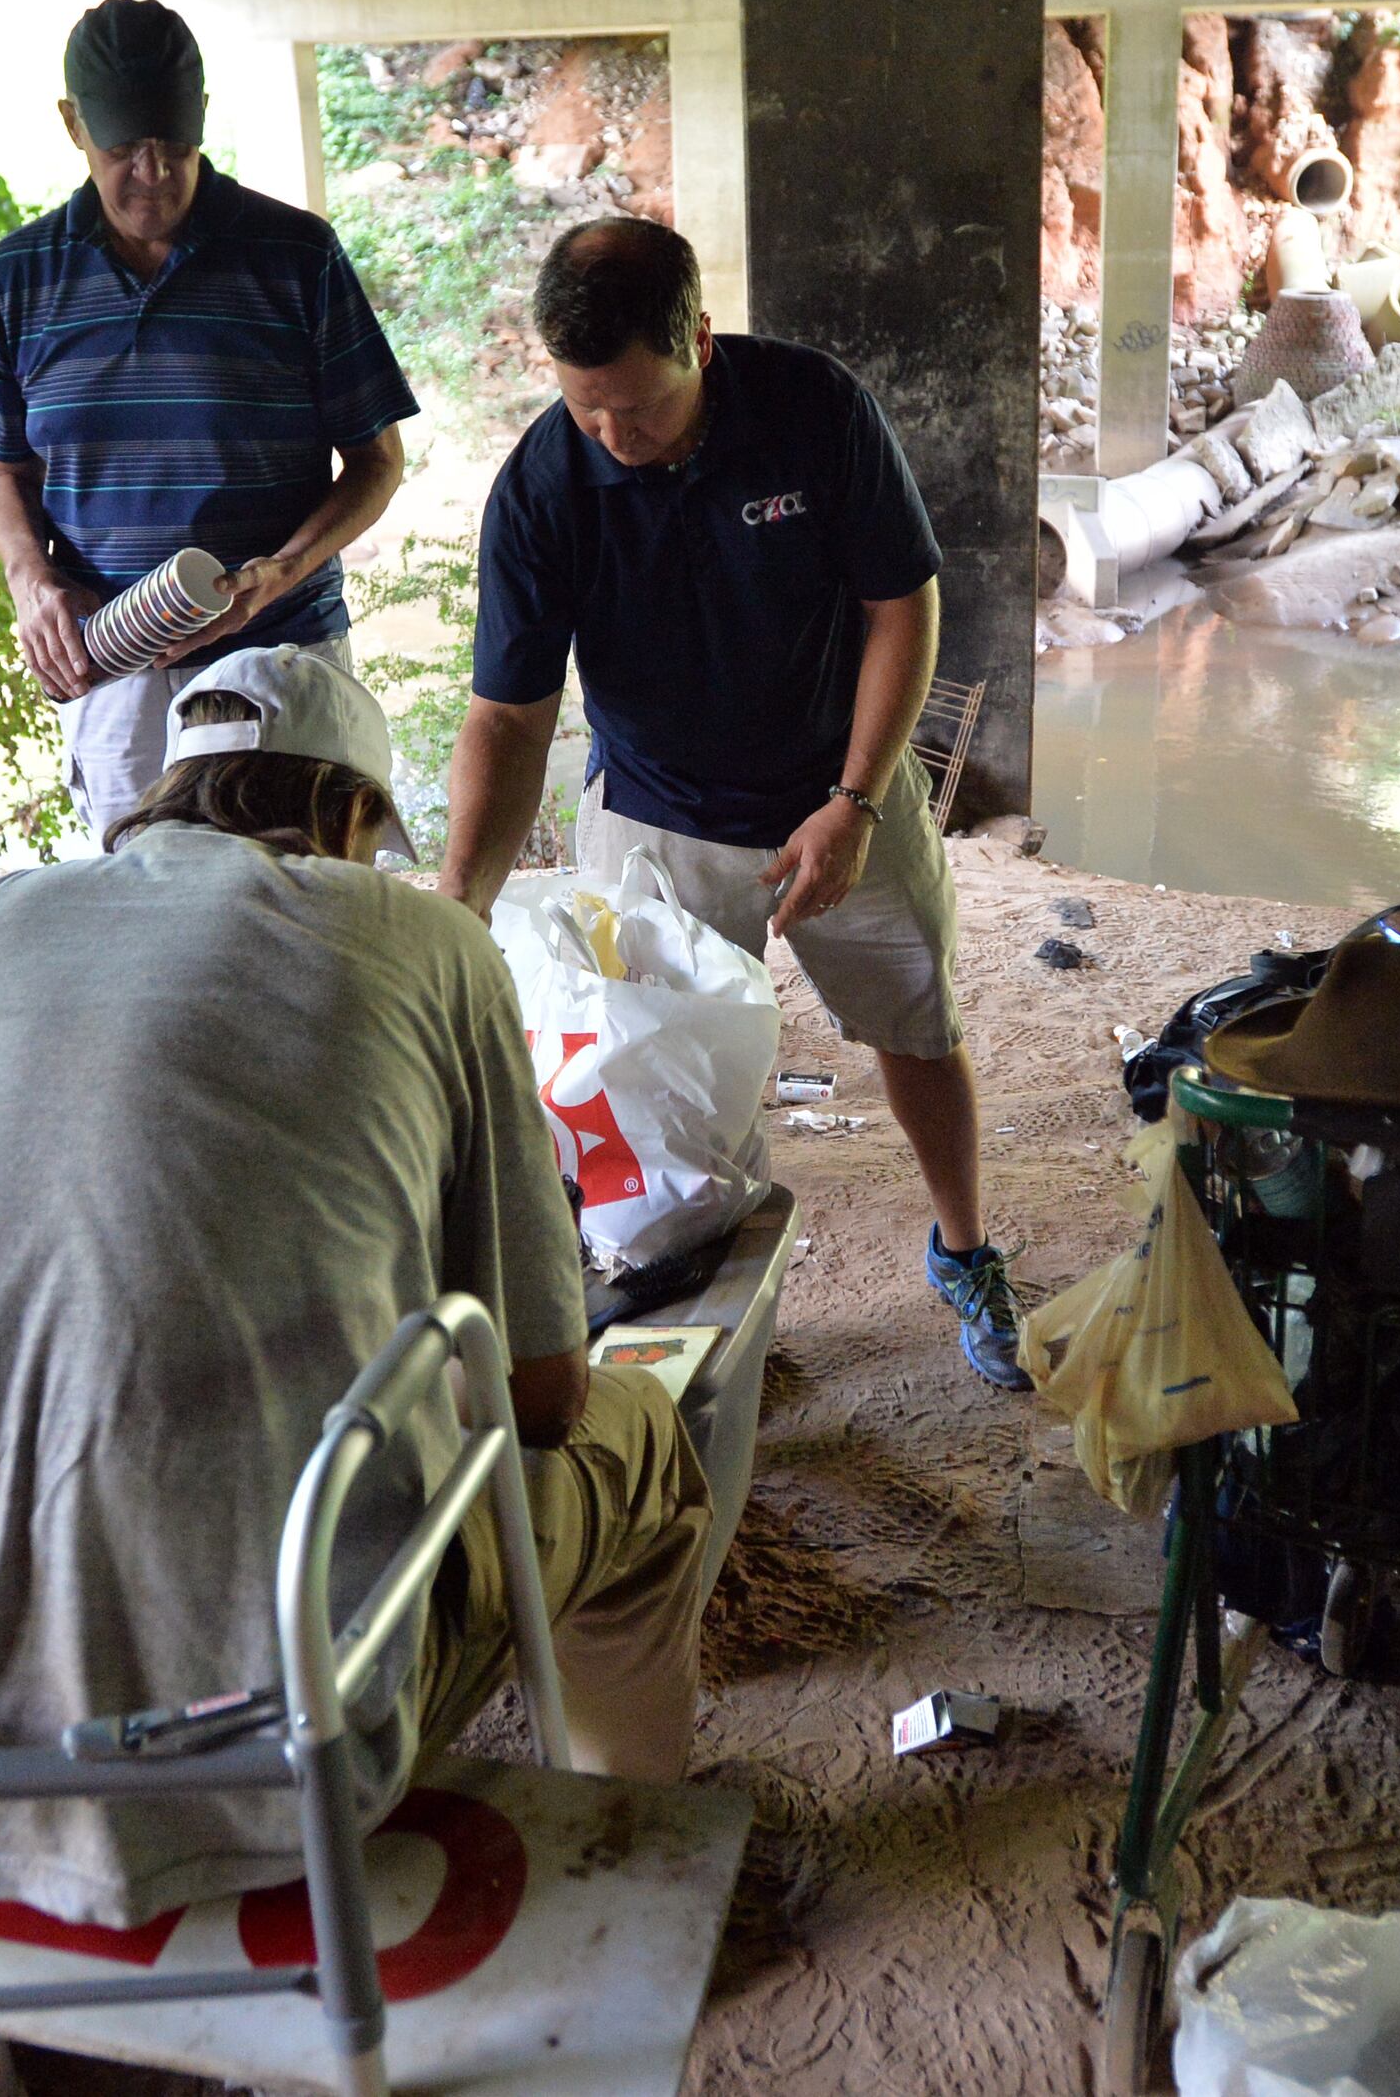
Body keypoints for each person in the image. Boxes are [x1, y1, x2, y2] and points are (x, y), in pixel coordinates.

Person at [0, 644, 710, 1927]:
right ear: (346, 812)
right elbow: (542, 1395)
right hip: (260, 1759)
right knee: (643, 1442)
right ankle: (624, 1858)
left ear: (164, 791)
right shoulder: (422, 939)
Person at [437, 217, 1023, 1388]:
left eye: (639, 408)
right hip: (655, 814)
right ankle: (708, 1312)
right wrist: (457, 904)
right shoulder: (545, 485)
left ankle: (965, 1250)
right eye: (587, 410)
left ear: (698, 341)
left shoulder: (813, 409)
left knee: (916, 1029)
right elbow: (507, 719)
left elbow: (902, 606)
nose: (616, 438)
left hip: (840, 790)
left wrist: (855, 801)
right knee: (654, 1080)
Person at [0, 0, 416, 840]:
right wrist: (29, 579)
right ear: (73, 124)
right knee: (137, 888)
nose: (153, 174)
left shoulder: (296, 255)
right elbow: (4, 472)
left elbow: (378, 461)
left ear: (202, 117)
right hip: (114, 664)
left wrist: (282, 569)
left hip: (279, 655)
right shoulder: (19, 276)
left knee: (297, 885)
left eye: (174, 146)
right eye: (123, 150)